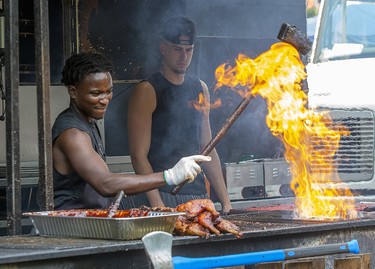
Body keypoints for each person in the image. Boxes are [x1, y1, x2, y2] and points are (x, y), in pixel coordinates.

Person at [52, 51, 211, 210]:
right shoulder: (73, 134)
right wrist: (170, 176)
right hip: (65, 226)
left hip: (87, 221)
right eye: (96, 93)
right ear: (73, 91)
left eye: (108, 91)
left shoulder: (88, 123)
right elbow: (105, 184)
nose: (105, 100)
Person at [127, 16, 232, 212]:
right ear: (163, 48)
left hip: (198, 194)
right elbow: (137, 156)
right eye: (177, 50)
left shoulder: (200, 88)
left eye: (188, 50)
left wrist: (225, 202)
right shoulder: (148, 90)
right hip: (162, 192)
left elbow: (207, 148)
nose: (183, 56)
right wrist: (157, 204)